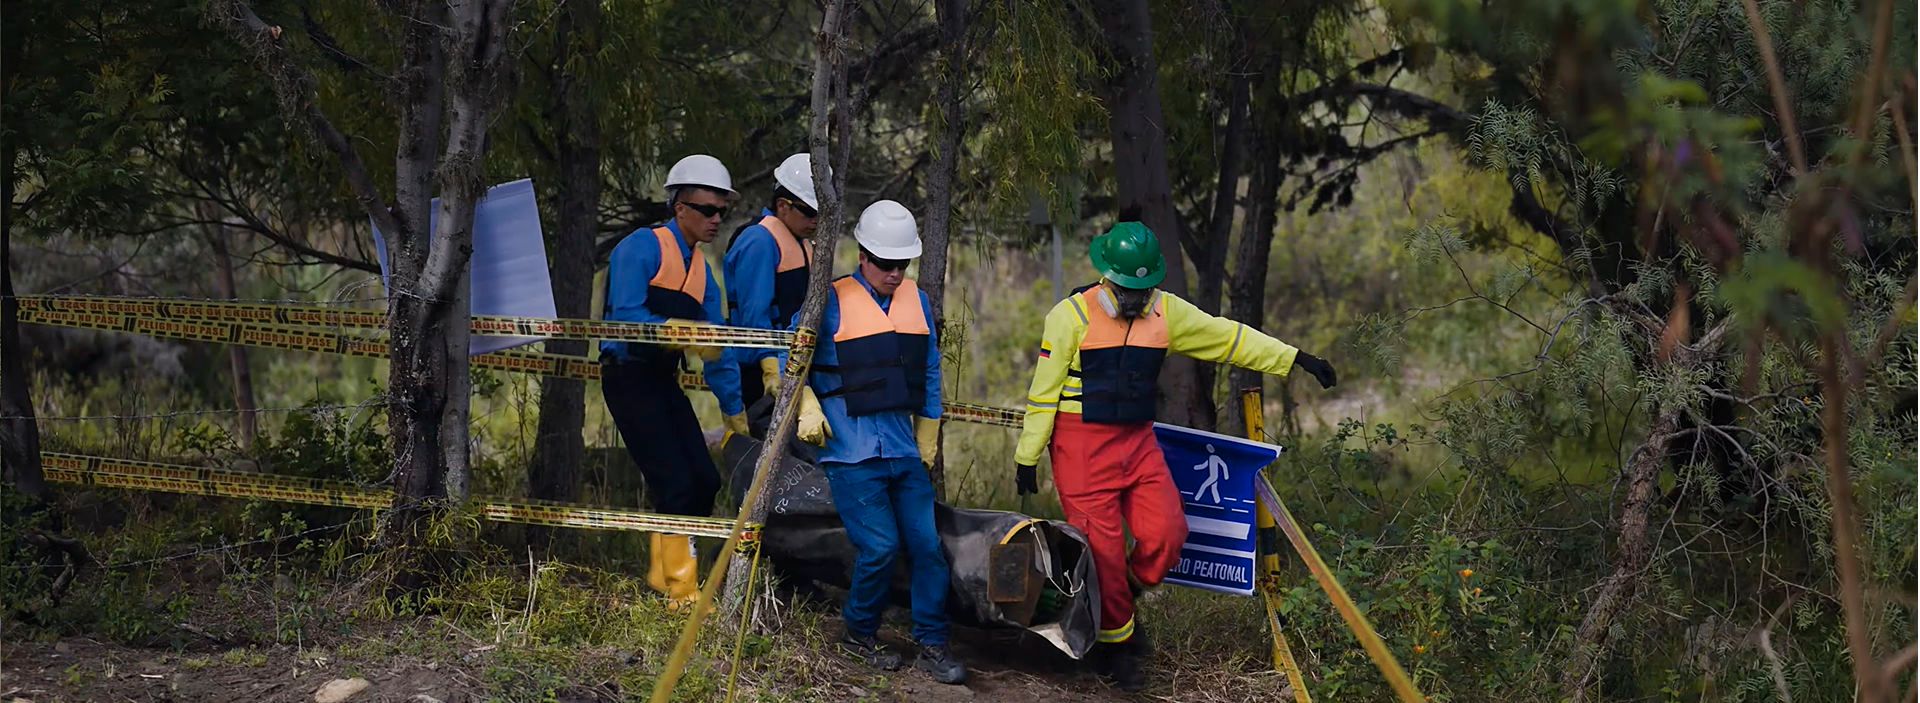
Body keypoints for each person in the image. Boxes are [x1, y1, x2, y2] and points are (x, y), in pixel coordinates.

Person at [1012, 218, 1338, 691]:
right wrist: (1028, 455)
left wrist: (1295, 358)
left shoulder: (1167, 313)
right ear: (1106, 276)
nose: (1134, 300)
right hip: (1080, 448)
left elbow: (1230, 338)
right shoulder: (1069, 317)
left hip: (1138, 444)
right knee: (1101, 554)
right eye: (1127, 290)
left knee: (1168, 534)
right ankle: (1118, 650)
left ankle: (1122, 590)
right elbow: (1043, 394)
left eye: (1143, 290)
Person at [787, 200, 967, 684]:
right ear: (863, 255)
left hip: (903, 449)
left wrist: (928, 432)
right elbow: (785, 357)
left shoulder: (919, 303)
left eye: (902, 264)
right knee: (881, 547)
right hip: (849, 450)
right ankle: (857, 633)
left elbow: (928, 371)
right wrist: (805, 404)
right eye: (886, 263)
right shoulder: (828, 300)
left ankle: (931, 641)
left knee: (928, 547)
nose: (894, 273)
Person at [599, 154, 744, 603]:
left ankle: (666, 578)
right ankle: (678, 592)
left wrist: (734, 411)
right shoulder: (640, 247)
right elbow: (626, 316)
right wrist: (676, 332)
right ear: (680, 207)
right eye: (708, 209)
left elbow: (717, 349)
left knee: (704, 481)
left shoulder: (703, 273)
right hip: (627, 377)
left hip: (663, 380)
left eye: (723, 211)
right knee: (676, 484)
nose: (716, 219)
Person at [719, 153, 826, 428]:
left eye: (821, 213)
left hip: (796, 368)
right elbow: (756, 316)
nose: (816, 220)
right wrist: (772, 372)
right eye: (810, 212)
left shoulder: (802, 242)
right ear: (783, 205)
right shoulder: (759, 240)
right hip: (760, 376)